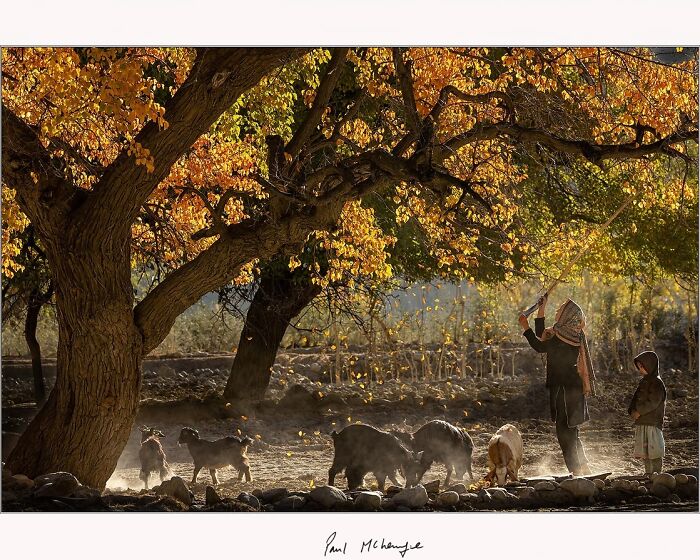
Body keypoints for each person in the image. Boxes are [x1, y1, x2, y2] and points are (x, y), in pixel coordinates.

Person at [519, 295, 596, 476]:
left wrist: (525, 327)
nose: (558, 309)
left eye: (561, 308)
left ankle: (576, 472)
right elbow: (543, 335)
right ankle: (584, 467)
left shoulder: (563, 337)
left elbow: (540, 345)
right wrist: (541, 308)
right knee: (572, 429)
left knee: (565, 433)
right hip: (571, 388)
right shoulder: (568, 332)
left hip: (565, 389)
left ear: (567, 315)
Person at [628, 351, 666, 475]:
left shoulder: (657, 383)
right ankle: (648, 473)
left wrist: (639, 412)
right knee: (645, 451)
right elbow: (635, 398)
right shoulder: (643, 381)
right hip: (642, 422)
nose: (640, 370)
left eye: (642, 367)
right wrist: (632, 410)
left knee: (654, 450)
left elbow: (653, 402)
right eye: (639, 367)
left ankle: (657, 473)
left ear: (650, 366)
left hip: (652, 422)